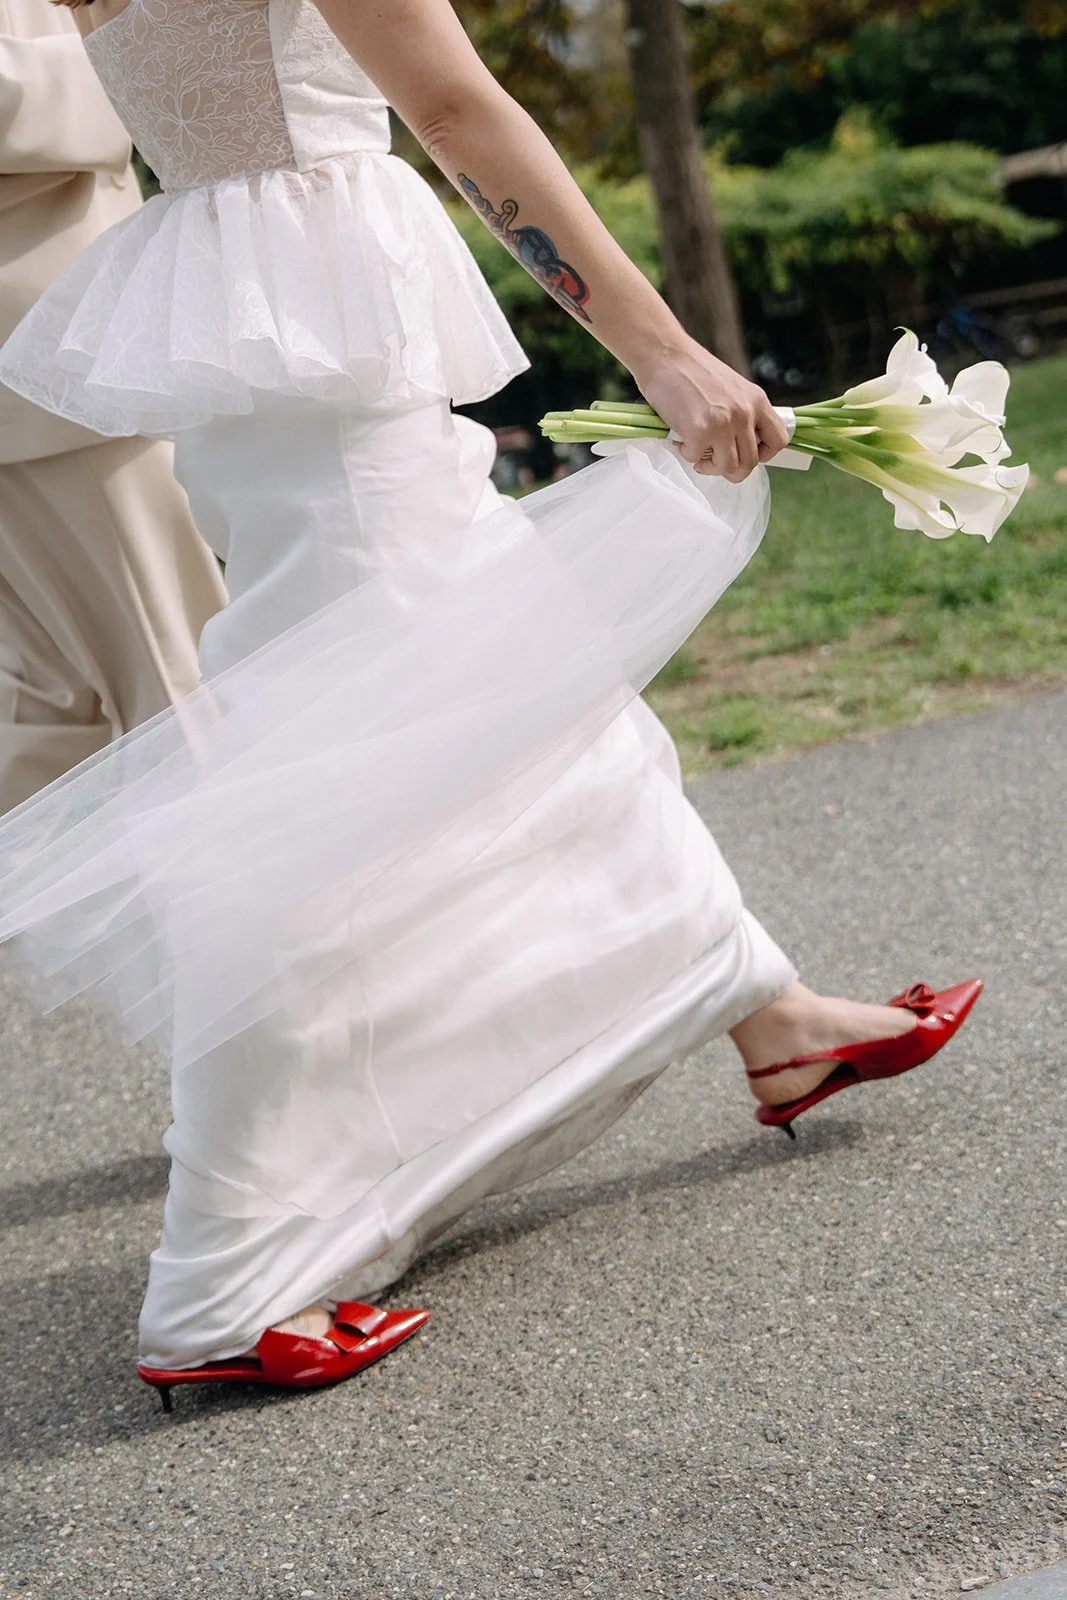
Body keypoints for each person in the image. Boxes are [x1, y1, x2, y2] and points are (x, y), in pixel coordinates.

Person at [0, 0, 980, 1407]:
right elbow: (456, 112)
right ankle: (219, 1283)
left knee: (538, 705)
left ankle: (770, 1017)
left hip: (260, 352)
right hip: (330, 368)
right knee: (330, 810)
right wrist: (664, 351)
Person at [0, 0, 226, 813]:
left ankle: (60, 935)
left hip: (60, 357)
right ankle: (237, 925)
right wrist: (131, 50)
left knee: (47, 702)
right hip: (55, 364)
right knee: (179, 681)